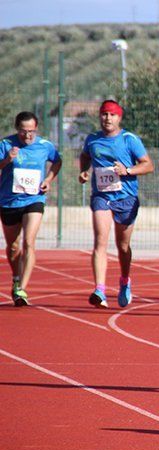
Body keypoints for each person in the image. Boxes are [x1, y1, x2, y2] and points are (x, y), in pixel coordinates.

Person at [79, 100, 154, 308]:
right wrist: (84, 171)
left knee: (122, 246)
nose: (107, 118)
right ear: (100, 117)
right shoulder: (93, 140)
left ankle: (124, 280)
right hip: (102, 196)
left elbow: (148, 165)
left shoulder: (130, 140)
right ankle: (99, 290)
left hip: (126, 198)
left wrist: (127, 171)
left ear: (119, 118)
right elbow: (85, 156)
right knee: (100, 241)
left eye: (112, 115)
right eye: (104, 114)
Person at [0, 112, 62, 306]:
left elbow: (57, 161)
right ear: (17, 129)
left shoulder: (45, 146)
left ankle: (22, 289)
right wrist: (7, 160)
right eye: (24, 131)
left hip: (34, 199)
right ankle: (16, 278)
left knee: (29, 242)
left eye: (32, 132)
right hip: (9, 201)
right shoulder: (5, 145)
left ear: (37, 129)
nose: (28, 136)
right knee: (13, 247)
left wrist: (49, 180)